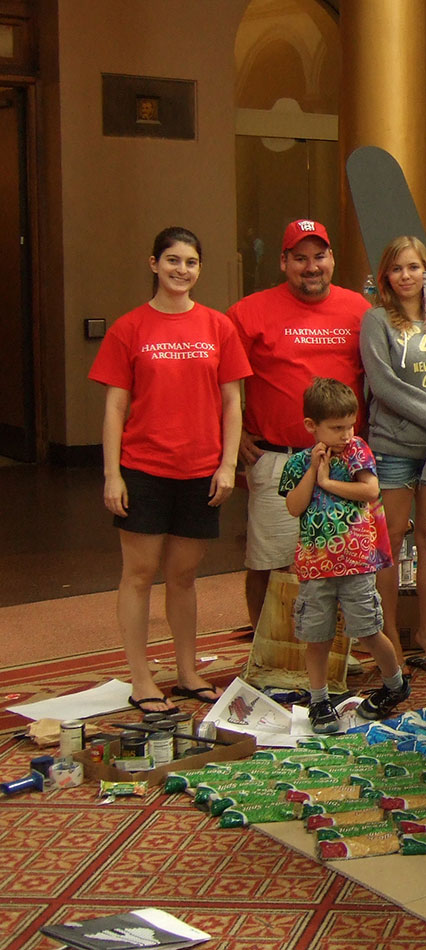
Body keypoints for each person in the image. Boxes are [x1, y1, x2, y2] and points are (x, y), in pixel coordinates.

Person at [89, 226, 252, 713]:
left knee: (184, 576)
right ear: (154, 263)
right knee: (138, 575)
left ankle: (186, 670)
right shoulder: (129, 328)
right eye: (173, 260)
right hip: (143, 468)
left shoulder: (218, 326)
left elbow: (232, 402)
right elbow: (115, 408)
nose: (182, 270)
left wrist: (227, 466)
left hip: (201, 470)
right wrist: (112, 474)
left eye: (191, 262)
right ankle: (140, 678)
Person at [231, 219, 369, 630]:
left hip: (345, 461)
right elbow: (216, 379)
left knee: (340, 563)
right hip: (278, 460)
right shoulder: (248, 312)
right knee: (269, 562)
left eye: (319, 256)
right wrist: (234, 433)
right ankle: (266, 649)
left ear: (332, 259)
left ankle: (331, 652)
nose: (311, 267)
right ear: (283, 262)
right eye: (300, 258)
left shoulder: (359, 310)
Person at [281, 378, 409, 733]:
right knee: (317, 635)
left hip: (356, 563)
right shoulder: (298, 463)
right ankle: (319, 699)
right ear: (312, 426)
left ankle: (394, 683)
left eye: (349, 425)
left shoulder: (357, 451)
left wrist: (328, 483)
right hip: (316, 567)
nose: (345, 434)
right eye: (336, 428)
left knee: (368, 630)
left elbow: (370, 489)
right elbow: (294, 506)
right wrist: (312, 472)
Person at [359, 235, 426, 676]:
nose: (407, 276)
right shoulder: (376, 320)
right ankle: (389, 634)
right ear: (386, 276)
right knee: (390, 542)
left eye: (414, 267)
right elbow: (384, 385)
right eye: (398, 269)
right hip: (394, 444)